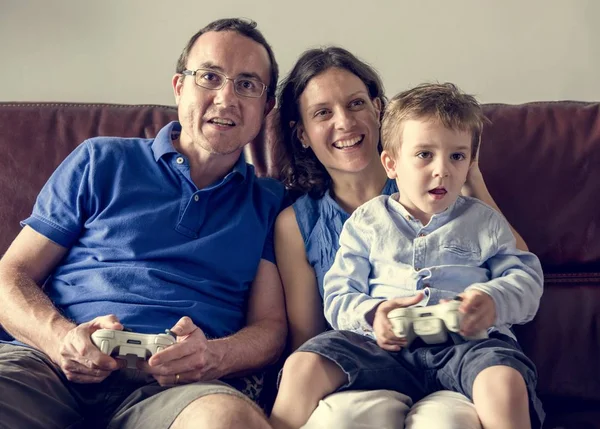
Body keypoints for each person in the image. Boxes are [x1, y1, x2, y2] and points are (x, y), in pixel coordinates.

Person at [0, 18, 286, 429]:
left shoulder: (270, 202)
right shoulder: (100, 159)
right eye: (209, 77)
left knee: (230, 421)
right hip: (47, 366)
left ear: (266, 108)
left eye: (247, 84)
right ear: (179, 87)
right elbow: (11, 274)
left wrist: (215, 357)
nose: (226, 98)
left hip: (178, 391)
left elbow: (271, 327)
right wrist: (60, 338)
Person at [273, 48, 534, 429]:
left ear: (378, 109)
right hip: (373, 354)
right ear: (302, 133)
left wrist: (470, 178)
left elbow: (523, 270)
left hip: (463, 350)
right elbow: (313, 332)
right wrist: (372, 316)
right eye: (323, 112)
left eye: (356, 103)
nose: (345, 122)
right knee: (311, 373)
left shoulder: (446, 190)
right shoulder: (309, 223)